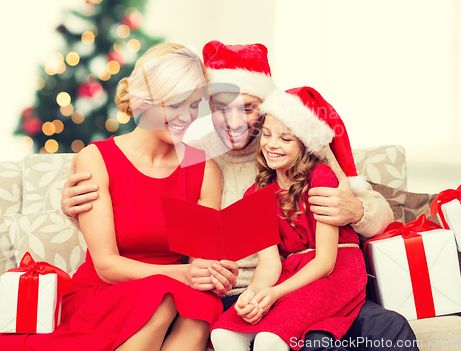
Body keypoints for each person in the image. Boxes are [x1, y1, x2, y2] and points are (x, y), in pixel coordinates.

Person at [61, 41, 419, 351]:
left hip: (312, 283)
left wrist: (356, 210)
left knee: (387, 330)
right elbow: (164, 225)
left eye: (248, 108)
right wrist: (79, 211)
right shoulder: (198, 158)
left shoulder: (302, 151)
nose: (235, 121)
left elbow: (379, 216)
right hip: (243, 292)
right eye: (221, 106)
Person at [1, 43, 230, 351]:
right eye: (174, 104)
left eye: (194, 105)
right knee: (163, 296)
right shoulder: (97, 159)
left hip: (177, 291)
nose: (186, 117)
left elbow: (200, 257)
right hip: (109, 292)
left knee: (201, 304)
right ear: (143, 103)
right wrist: (184, 274)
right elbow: (107, 265)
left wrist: (209, 272)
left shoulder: (204, 168)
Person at [211, 86, 367, 351]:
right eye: (268, 135)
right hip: (290, 273)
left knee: (270, 339)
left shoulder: (321, 177)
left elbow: (325, 262)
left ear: (304, 144)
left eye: (286, 139)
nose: (272, 145)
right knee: (224, 334)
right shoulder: (256, 193)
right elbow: (270, 264)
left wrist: (274, 294)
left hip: (335, 273)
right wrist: (253, 295)